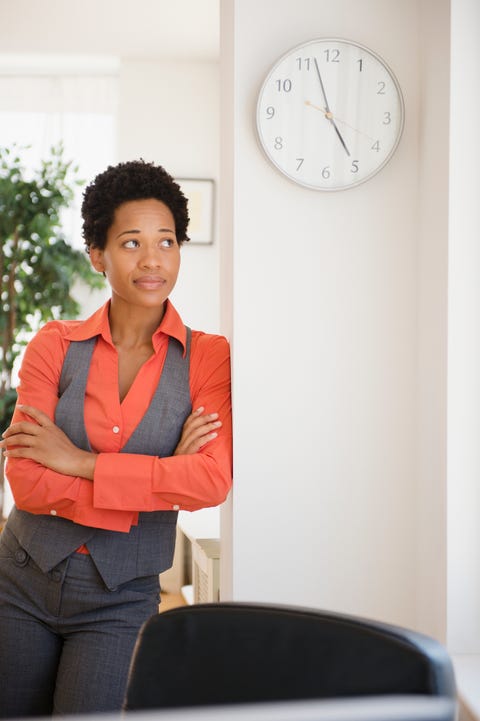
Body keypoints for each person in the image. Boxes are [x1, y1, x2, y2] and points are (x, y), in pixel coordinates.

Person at [0, 159, 232, 716]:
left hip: (122, 598)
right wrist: (155, 482)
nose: (152, 260)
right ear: (97, 255)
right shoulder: (54, 345)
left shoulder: (207, 356)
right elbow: (28, 482)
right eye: (131, 243)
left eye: (167, 241)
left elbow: (209, 480)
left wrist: (78, 461)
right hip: (21, 584)